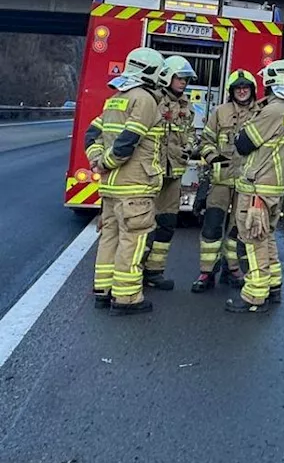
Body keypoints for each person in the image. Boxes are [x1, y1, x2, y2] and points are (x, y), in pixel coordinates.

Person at [83, 46, 167, 314]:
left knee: (110, 237)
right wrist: (107, 161)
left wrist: (97, 160)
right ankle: (127, 298)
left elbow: (90, 135)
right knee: (133, 241)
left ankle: (102, 290)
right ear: (153, 72)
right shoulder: (144, 99)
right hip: (135, 186)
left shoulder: (115, 98)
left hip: (111, 188)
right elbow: (128, 141)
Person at [227, 59, 284, 313]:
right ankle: (273, 285)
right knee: (266, 236)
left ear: (271, 80)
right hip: (273, 186)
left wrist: (242, 131)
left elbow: (243, 143)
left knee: (252, 239)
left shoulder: (274, 110)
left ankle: (254, 295)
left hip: (257, 187)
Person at [192, 69, 258, 293]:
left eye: (245, 88)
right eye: (238, 88)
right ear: (231, 91)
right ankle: (206, 272)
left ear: (251, 90)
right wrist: (213, 157)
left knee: (238, 229)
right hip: (220, 181)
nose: (242, 91)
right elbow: (206, 140)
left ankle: (233, 270)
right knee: (211, 226)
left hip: (246, 183)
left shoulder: (260, 114)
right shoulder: (220, 112)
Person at [141, 55, 197, 291]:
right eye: (179, 77)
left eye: (186, 79)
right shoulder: (152, 100)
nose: (183, 82)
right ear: (166, 76)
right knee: (142, 224)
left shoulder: (186, 106)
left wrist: (190, 146)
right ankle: (134, 271)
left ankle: (155, 272)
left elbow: (191, 133)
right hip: (149, 172)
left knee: (166, 223)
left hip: (173, 174)